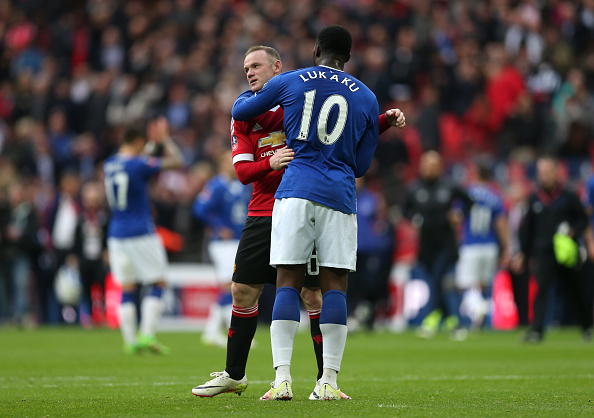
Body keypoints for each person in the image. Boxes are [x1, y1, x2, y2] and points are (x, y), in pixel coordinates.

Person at [191, 45, 405, 400]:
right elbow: (243, 171)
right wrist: (269, 164)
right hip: (264, 210)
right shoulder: (245, 112)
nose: (249, 72)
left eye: (256, 65)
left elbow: (341, 132)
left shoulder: (301, 93)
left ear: (277, 67)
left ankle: (325, 380)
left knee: (312, 293)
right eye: (246, 67)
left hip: (302, 204)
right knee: (242, 291)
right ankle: (234, 374)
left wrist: (381, 122)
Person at [230, 25, 381, 401]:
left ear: (315, 49)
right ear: (348, 56)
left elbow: (240, 109)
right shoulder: (367, 97)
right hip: (340, 196)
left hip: (295, 190)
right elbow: (361, 165)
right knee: (333, 290)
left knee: (286, 283)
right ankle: (327, 382)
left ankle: (281, 380)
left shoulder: (293, 80)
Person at [103, 117, 183, 354]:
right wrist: (164, 140)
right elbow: (177, 161)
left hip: (116, 234)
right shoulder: (138, 165)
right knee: (158, 281)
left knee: (127, 286)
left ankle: (130, 341)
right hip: (140, 232)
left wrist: (150, 147)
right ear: (138, 141)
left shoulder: (109, 164)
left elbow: (138, 161)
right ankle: (147, 334)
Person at [513, 156, 592, 342]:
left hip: (566, 253)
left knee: (576, 290)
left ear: (557, 173)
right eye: (541, 173)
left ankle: (586, 327)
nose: (544, 177)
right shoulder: (534, 199)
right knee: (541, 290)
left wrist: (574, 231)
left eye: (547, 172)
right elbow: (527, 228)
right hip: (544, 253)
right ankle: (537, 330)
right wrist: (524, 254)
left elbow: (582, 219)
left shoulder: (569, 196)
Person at [403, 151, 473, 339]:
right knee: (435, 283)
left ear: (439, 167)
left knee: (447, 283)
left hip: (447, 244)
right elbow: (404, 210)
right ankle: (447, 320)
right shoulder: (415, 188)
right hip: (426, 246)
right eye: (424, 165)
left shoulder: (449, 186)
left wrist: (458, 213)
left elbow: (468, 202)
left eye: (431, 165)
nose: (427, 169)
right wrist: (414, 219)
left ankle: (453, 322)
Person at [192, 149, 251, 347]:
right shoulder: (216, 185)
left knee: (235, 286)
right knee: (230, 285)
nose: (234, 163)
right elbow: (199, 209)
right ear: (222, 164)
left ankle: (216, 331)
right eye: (230, 161)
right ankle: (227, 333)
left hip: (239, 240)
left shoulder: (242, 185)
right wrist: (217, 226)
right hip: (222, 243)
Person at [455, 161, 510, 335]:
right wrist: (507, 248)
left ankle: (478, 308)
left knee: (463, 285)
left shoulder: (467, 194)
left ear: (475, 173)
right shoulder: (496, 197)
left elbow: (457, 218)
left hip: (470, 245)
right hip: (490, 246)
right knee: (483, 286)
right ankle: (478, 320)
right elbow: (501, 224)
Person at [68, 181, 110, 327]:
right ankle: (88, 316)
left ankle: (102, 314)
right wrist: (73, 255)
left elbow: (108, 235)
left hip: (99, 258)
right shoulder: (81, 217)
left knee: (101, 287)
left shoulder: (104, 216)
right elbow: (75, 237)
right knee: (86, 288)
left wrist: (107, 251)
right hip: (84, 258)